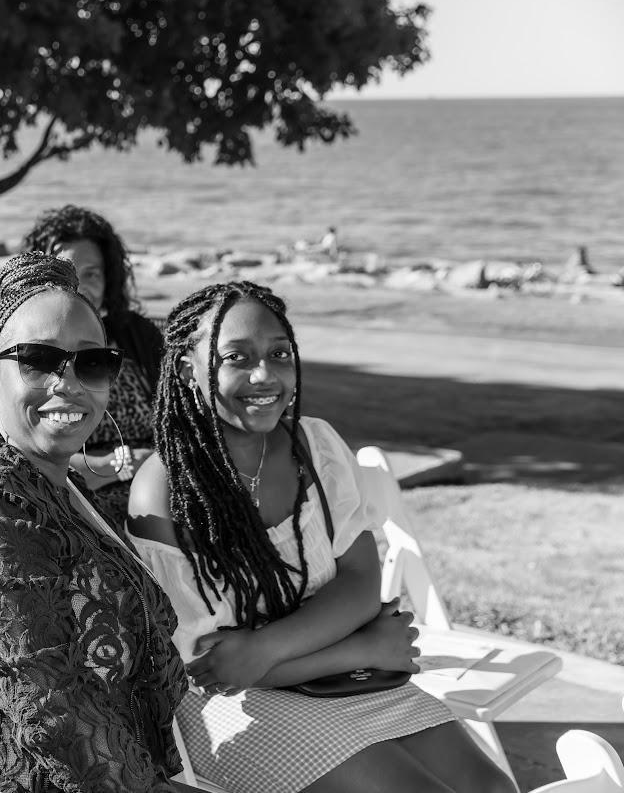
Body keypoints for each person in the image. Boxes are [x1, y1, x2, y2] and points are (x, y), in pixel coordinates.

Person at [127, 281, 514, 793]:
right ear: (186, 370)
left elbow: (358, 582)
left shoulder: (316, 447)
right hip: (234, 708)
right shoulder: (164, 489)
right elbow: (215, 666)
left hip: (340, 680)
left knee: (492, 788)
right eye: (236, 357)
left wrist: (274, 648)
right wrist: (363, 649)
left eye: (279, 353)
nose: (264, 375)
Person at [0, 251, 193, 793]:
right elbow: (46, 705)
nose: (68, 383)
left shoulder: (55, 485)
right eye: (38, 360)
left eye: (92, 362)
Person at [20, 205, 163, 525]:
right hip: (79, 503)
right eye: (67, 271)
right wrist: (121, 464)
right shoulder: (24, 350)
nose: (80, 286)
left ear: (109, 280)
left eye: (92, 274)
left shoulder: (136, 335)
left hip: (160, 484)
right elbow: (17, 456)